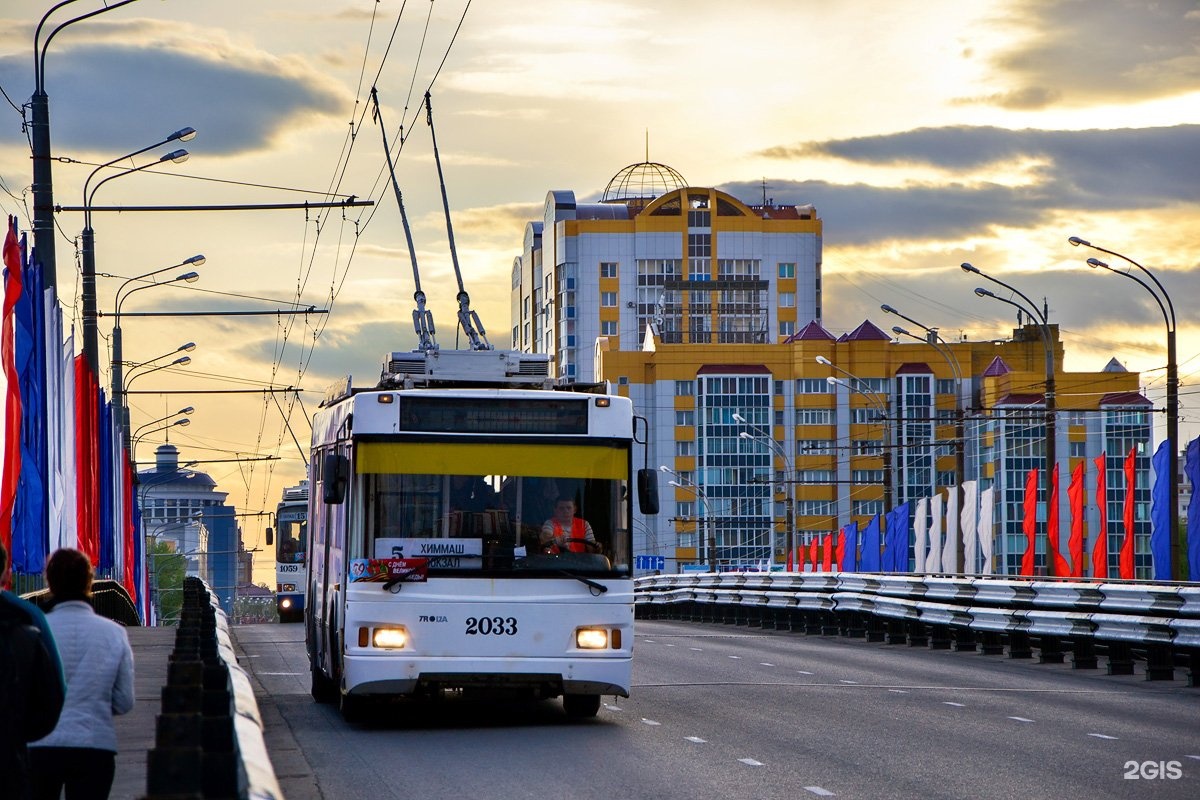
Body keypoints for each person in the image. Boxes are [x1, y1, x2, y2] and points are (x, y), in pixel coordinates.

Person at [29, 548, 135, 800]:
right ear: (89, 582)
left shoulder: (34, 631)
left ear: (50, 583)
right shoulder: (114, 633)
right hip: (95, 746)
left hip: (41, 747)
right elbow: (124, 702)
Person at [1, 541, 65, 800]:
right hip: (8, 757)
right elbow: (53, 694)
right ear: (6, 574)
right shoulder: (27, 617)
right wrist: (17, 735)